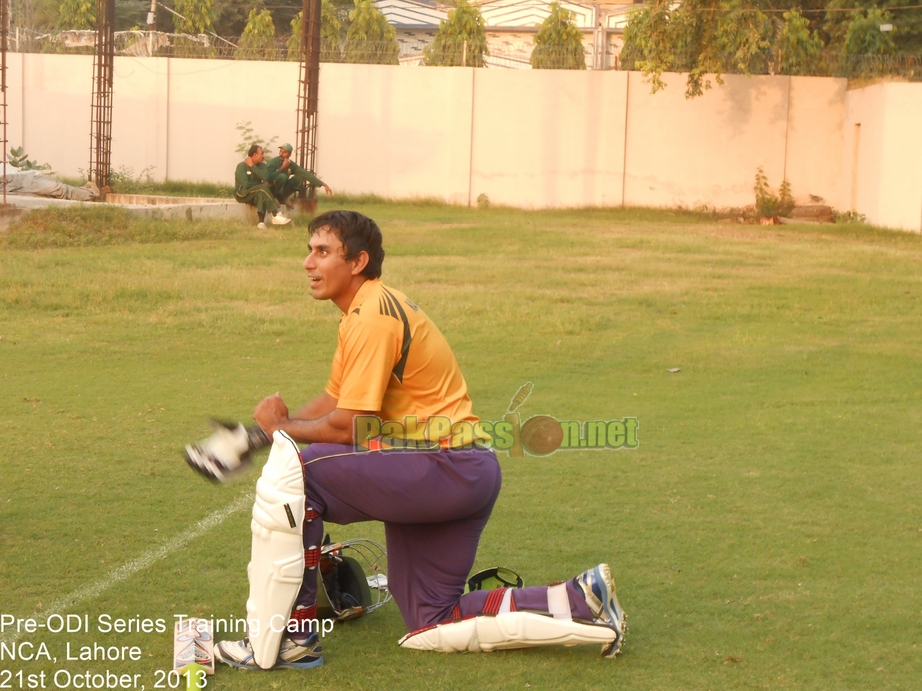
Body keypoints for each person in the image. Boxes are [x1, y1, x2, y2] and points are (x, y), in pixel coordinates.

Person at [214, 210, 626, 671]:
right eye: (309, 250)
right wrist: (258, 434)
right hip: (464, 471)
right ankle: (580, 599)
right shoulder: (368, 308)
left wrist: (277, 431)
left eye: (322, 251)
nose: (308, 263)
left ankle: (290, 637)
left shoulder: (371, 317)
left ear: (357, 261)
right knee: (431, 622)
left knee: (299, 474)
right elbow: (335, 398)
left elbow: (350, 425)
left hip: (442, 467)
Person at [234, 145, 291, 228]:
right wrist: (260, 185)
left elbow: (266, 177)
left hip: (255, 192)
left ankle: (261, 223)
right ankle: (275, 214)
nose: (263, 156)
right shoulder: (241, 166)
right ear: (254, 155)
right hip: (242, 193)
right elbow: (246, 184)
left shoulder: (262, 166)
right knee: (262, 188)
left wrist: (252, 167)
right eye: (262, 154)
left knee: (261, 193)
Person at [266, 144, 332, 208]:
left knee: (300, 177)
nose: (281, 154)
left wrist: (323, 185)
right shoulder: (273, 162)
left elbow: (306, 174)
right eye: (280, 151)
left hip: (282, 190)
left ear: (289, 154)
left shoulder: (291, 164)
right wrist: (282, 168)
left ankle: (284, 198)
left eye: (284, 152)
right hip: (271, 189)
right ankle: (273, 197)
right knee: (283, 176)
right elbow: (268, 178)